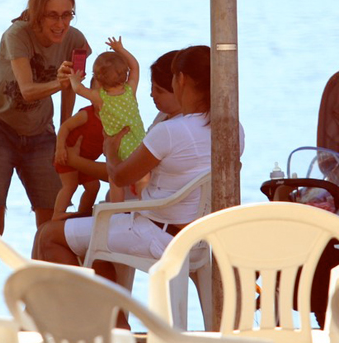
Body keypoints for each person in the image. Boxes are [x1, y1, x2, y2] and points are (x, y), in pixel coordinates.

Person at [35, 45, 245, 283]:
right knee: (97, 246)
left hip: (157, 233)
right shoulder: (233, 129)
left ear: (182, 79)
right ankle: (113, 316)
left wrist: (110, 151)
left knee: (49, 236)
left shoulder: (168, 131)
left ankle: (110, 319)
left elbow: (121, 176)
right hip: (199, 237)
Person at [0, 0, 90, 314]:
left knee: (52, 221)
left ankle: (50, 311)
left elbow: (72, 85)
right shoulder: (16, 35)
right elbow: (26, 89)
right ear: (37, 15)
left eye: (67, 15)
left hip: (39, 132)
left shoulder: (77, 42)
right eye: (52, 16)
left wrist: (63, 130)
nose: (60, 23)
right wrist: (61, 81)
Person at [63, 49, 182, 184]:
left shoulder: (169, 131)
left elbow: (122, 175)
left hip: (136, 196)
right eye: (151, 88)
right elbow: (134, 68)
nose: (152, 95)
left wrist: (75, 161)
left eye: (159, 90)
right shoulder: (165, 116)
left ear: (180, 87)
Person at [68, 36, 145, 202]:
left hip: (118, 149)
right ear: (124, 74)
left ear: (98, 79)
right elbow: (135, 67)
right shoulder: (130, 91)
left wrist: (74, 79)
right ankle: (143, 205)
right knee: (142, 180)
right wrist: (120, 49)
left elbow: (78, 89)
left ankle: (116, 208)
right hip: (139, 145)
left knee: (114, 178)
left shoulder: (100, 98)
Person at [52, 76, 104, 221]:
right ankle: (58, 213)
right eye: (97, 92)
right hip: (67, 156)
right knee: (70, 185)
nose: (102, 98)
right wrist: (60, 148)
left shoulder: (113, 121)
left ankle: (83, 213)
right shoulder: (86, 114)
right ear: (89, 95)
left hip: (85, 161)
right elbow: (65, 127)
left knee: (94, 186)